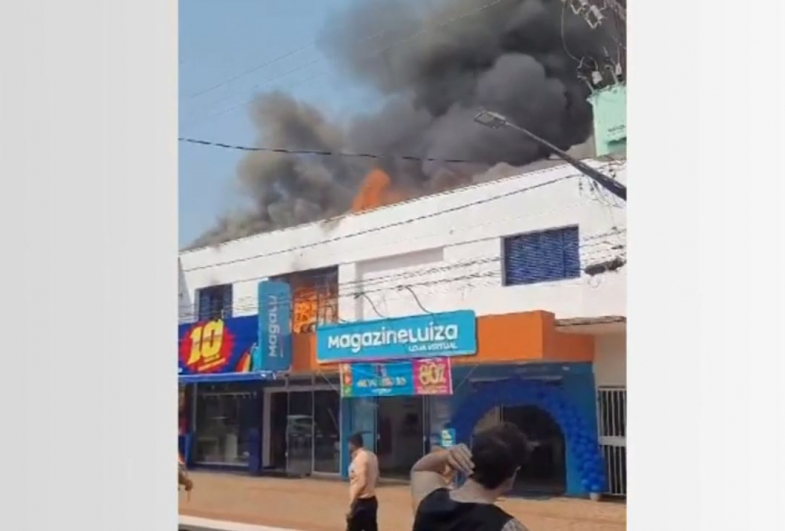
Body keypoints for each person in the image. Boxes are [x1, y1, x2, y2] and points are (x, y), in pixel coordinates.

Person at [410, 423, 531, 531]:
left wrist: (447, 455)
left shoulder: (430, 503)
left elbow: (422, 469)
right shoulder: (507, 526)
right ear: (514, 473)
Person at [346, 432, 380, 531]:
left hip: (361, 502)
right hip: (372, 500)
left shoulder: (360, 458)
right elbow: (377, 476)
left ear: (352, 444)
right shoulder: (372, 456)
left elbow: (361, 482)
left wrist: (353, 501)